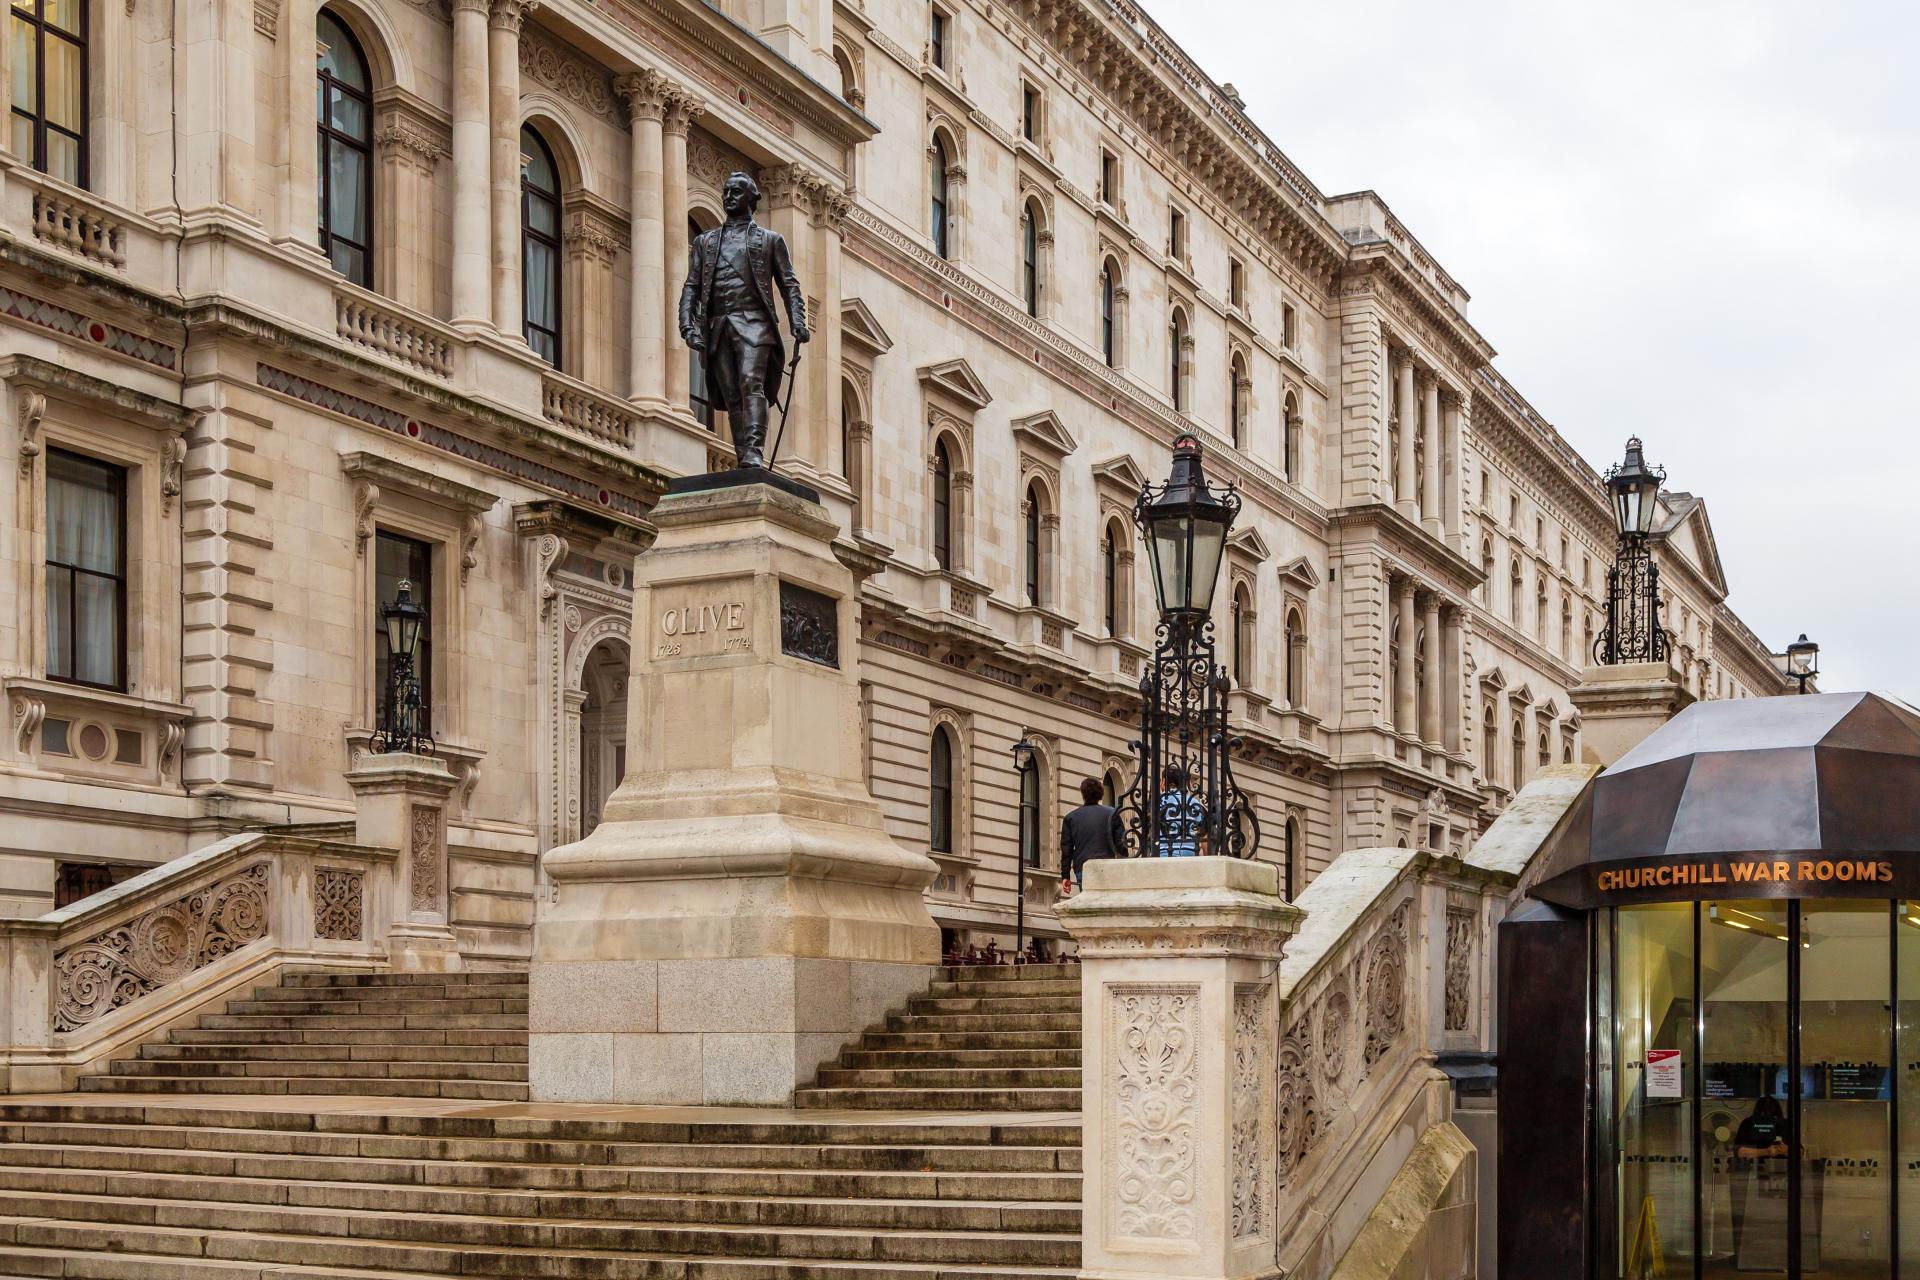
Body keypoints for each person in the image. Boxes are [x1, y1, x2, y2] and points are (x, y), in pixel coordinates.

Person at [677, 172, 810, 470]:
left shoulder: (771, 240)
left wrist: (798, 322)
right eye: (726, 191)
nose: (728, 196)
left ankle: (753, 451)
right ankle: (743, 457)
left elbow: (789, 285)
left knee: (751, 382)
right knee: (731, 394)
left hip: (755, 324)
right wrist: (687, 325)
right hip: (718, 326)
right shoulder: (705, 241)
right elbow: (692, 286)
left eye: (736, 191)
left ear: (752, 199)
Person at [1059, 777, 1126, 893]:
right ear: (1101, 794)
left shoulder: (1071, 818)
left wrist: (1065, 875)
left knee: (1087, 899)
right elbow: (1121, 843)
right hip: (1107, 866)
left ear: (1083, 794)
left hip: (1083, 867)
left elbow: (1066, 850)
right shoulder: (1111, 814)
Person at [1154, 765, 1208, 857]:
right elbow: (1204, 832)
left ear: (1164, 781)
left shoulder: (1159, 802)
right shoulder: (1193, 802)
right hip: (1189, 854)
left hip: (1164, 854)